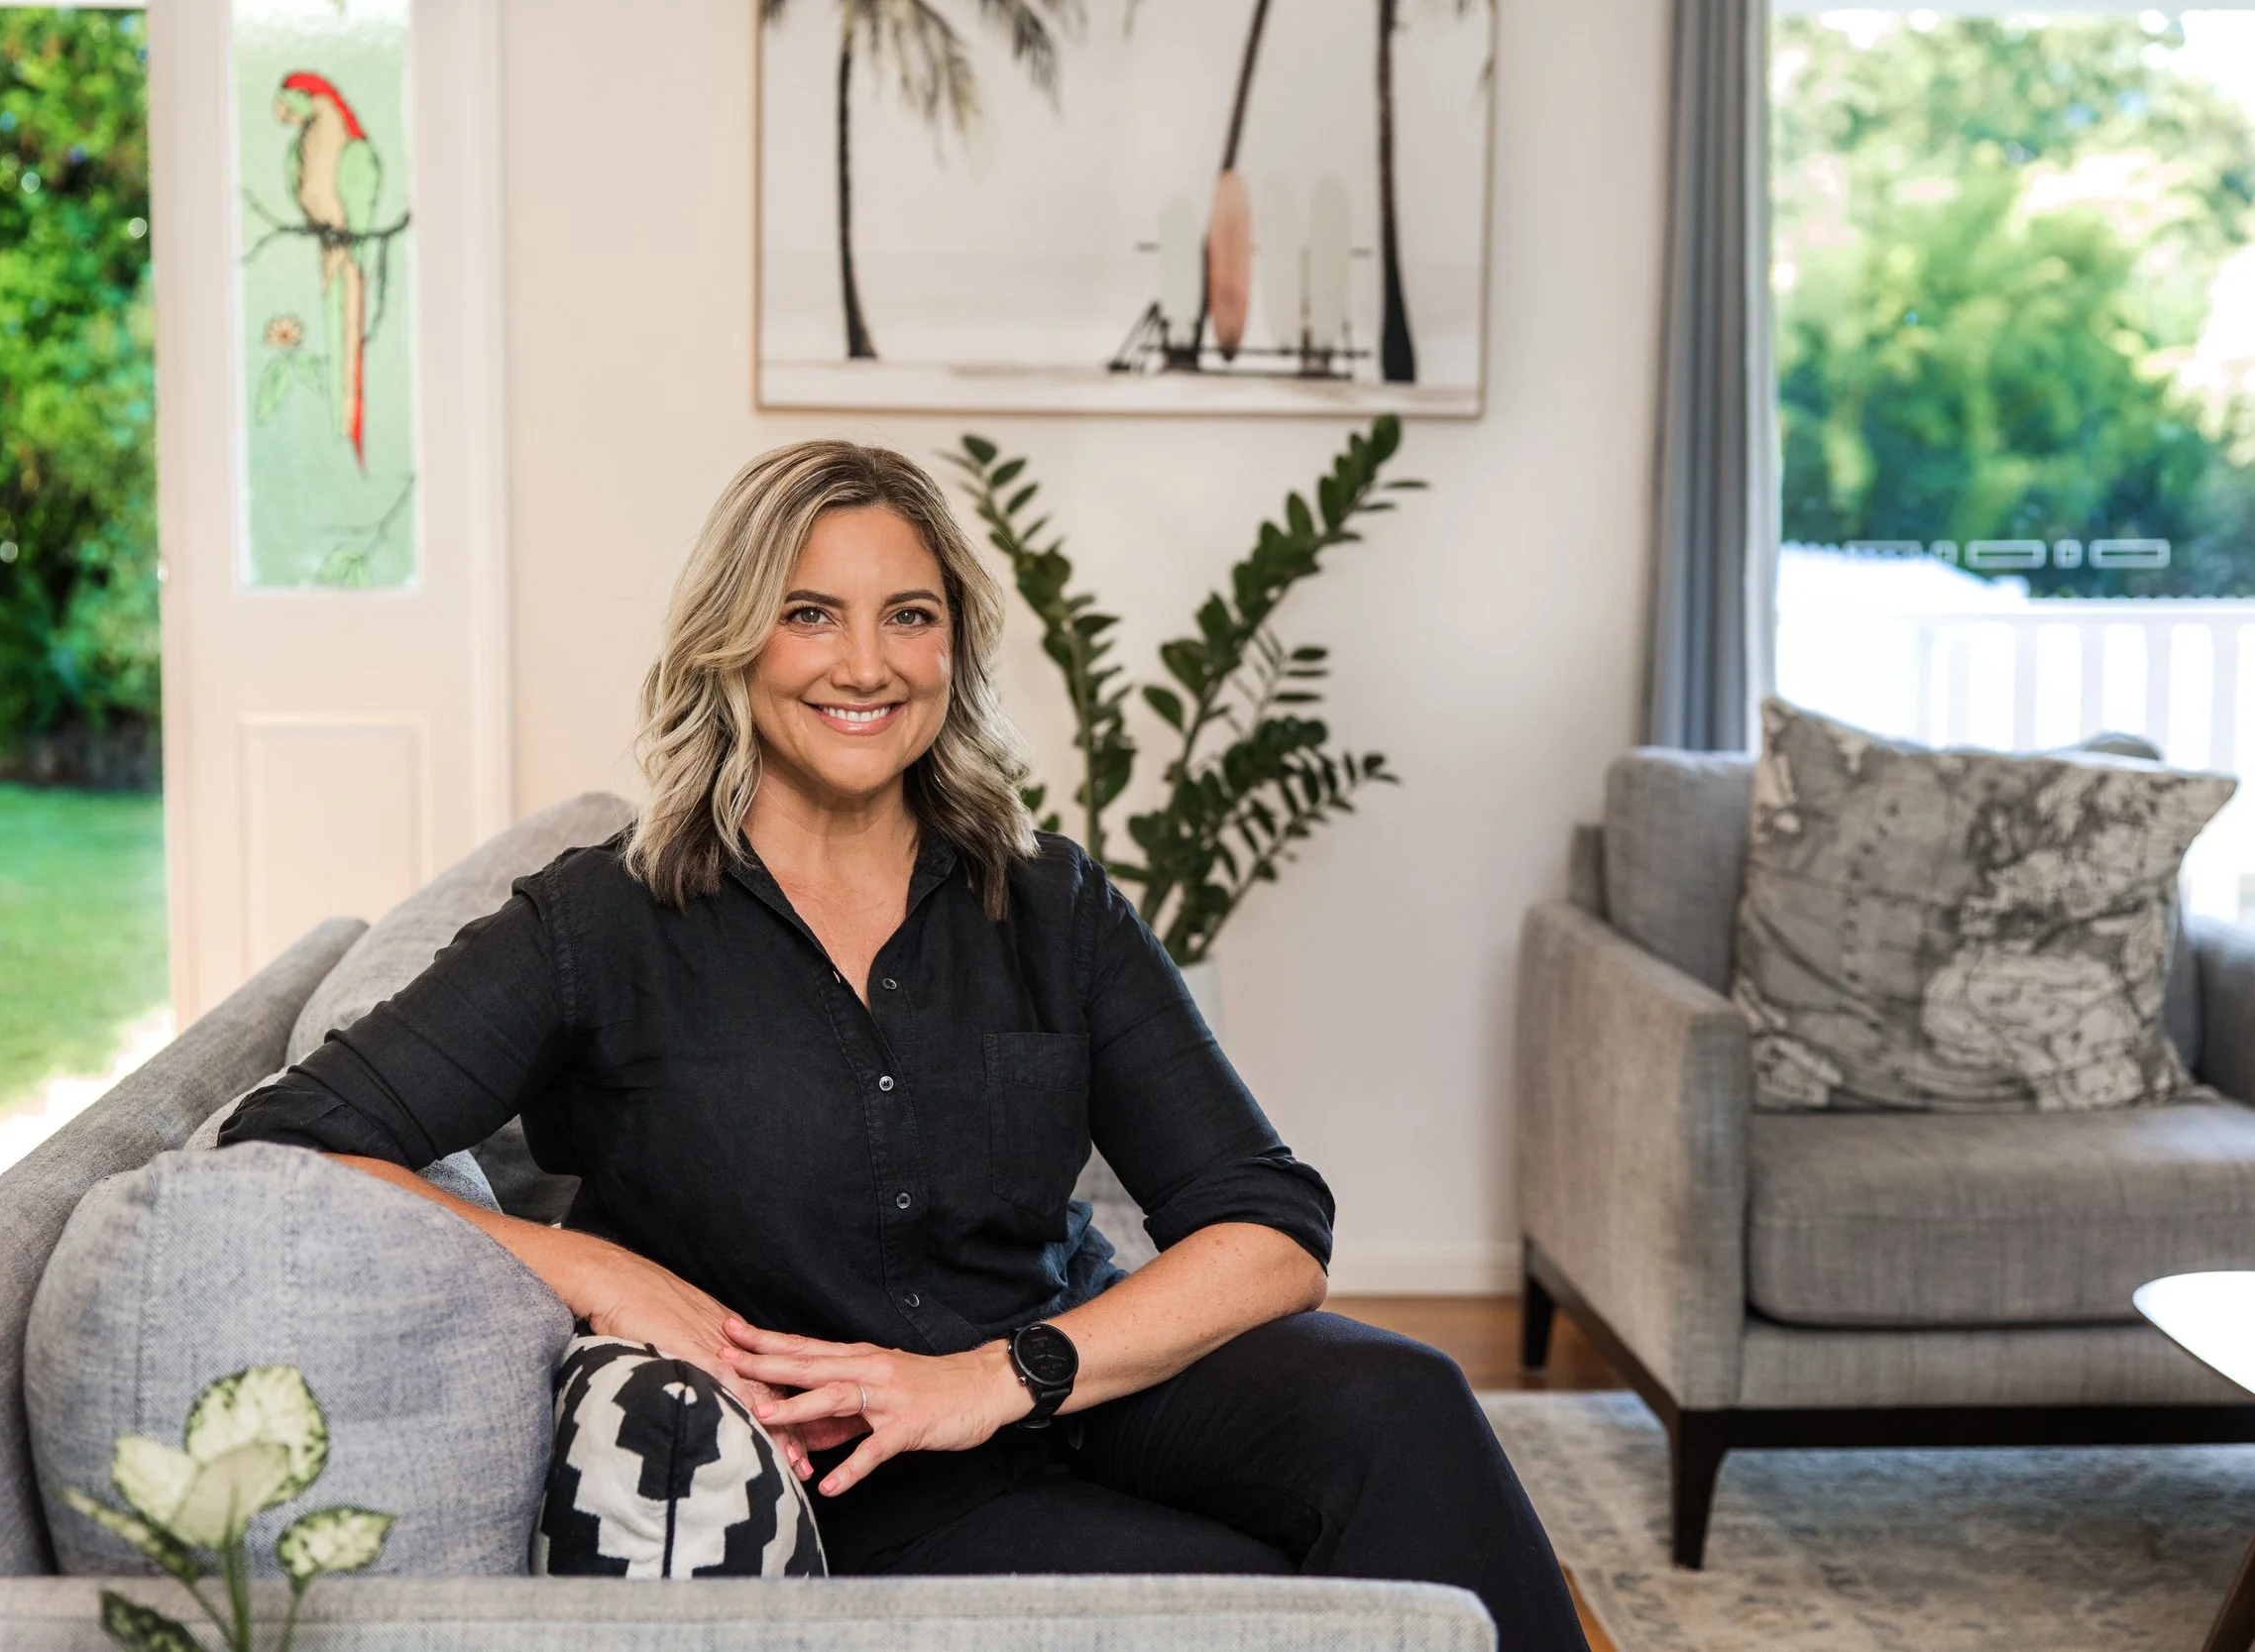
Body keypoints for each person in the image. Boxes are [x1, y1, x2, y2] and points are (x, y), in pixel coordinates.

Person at [221, 440, 1587, 1646]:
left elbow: (1273, 1223)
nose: (865, 663)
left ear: (954, 650)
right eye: (810, 614)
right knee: (1278, 1600)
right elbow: (286, 1143)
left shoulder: (1049, 900)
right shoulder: (602, 921)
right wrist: (594, 1268)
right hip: (860, 1476)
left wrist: (1001, 1376)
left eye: (908, 616)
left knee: (1407, 1403)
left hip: (1063, 1375)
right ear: (733, 642)